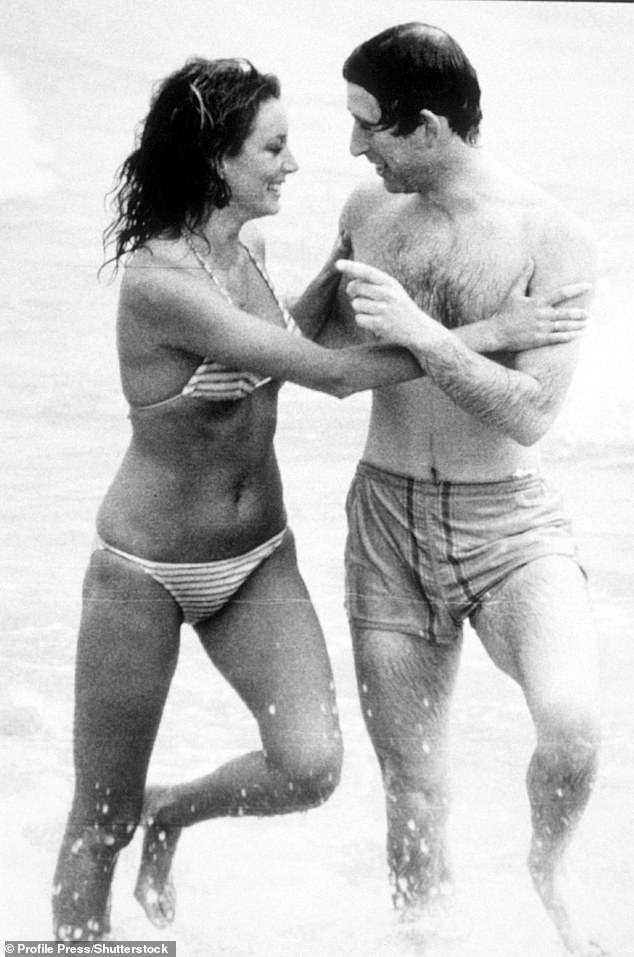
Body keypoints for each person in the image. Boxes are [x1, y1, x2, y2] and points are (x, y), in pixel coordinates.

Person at [51, 56, 589, 943]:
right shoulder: (161, 285)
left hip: (257, 556)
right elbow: (334, 375)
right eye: (274, 146)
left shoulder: (248, 249)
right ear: (214, 159)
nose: (296, 163)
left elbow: (291, 339)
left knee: (310, 766)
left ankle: (172, 812)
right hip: (145, 570)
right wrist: (491, 332)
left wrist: (353, 272)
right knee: (98, 814)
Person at [327, 23, 604, 957]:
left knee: (571, 725)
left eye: (371, 126)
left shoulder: (550, 234)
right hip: (386, 518)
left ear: (431, 126)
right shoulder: (368, 210)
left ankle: (548, 869)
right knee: (413, 786)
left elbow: (532, 414)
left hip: (509, 522)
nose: (355, 147)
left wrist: (427, 332)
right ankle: (425, 944)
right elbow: (316, 354)